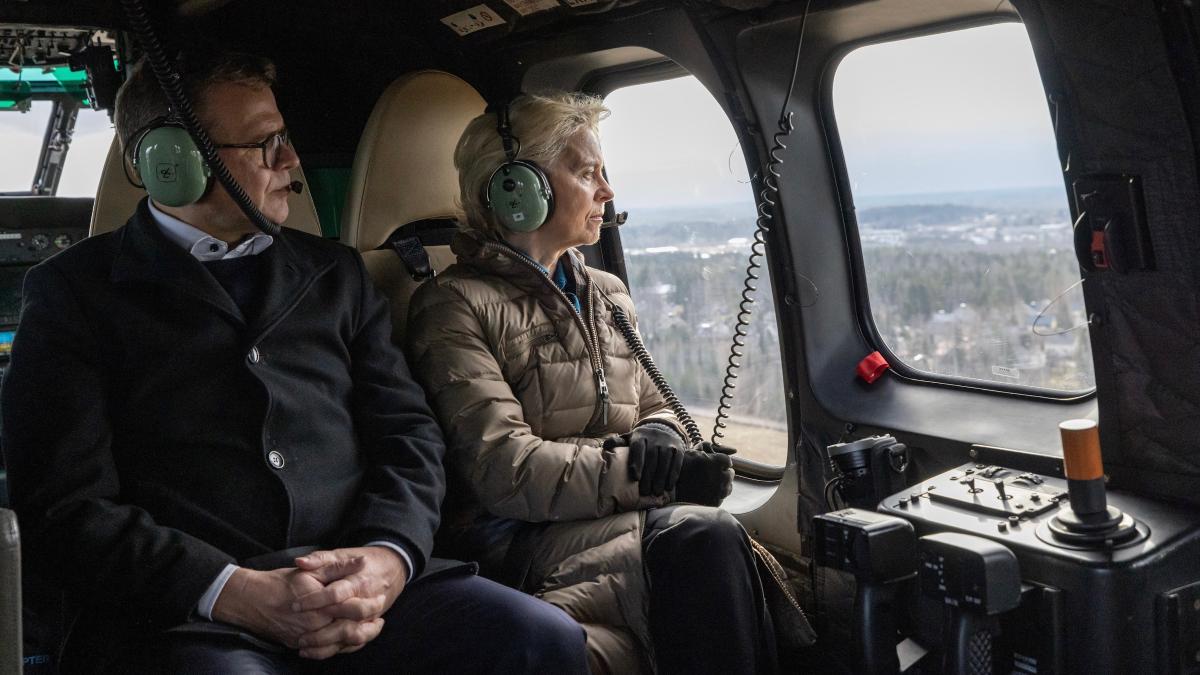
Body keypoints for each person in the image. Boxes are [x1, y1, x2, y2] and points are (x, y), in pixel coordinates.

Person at [0, 52, 588, 674]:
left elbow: (410, 437)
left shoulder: (335, 274)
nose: (290, 162)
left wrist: (388, 558)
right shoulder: (73, 294)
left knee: (539, 637)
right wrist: (230, 591)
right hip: (190, 611)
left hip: (360, 584)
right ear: (170, 163)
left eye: (286, 139)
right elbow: (65, 506)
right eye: (264, 145)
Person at [405, 92, 779, 675]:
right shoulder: (452, 306)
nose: (607, 191)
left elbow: (655, 403)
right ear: (518, 190)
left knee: (707, 535)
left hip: (605, 516)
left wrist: (661, 437)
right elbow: (504, 469)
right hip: (518, 536)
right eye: (587, 173)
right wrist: (649, 475)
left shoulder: (605, 293)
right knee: (701, 537)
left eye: (605, 173)